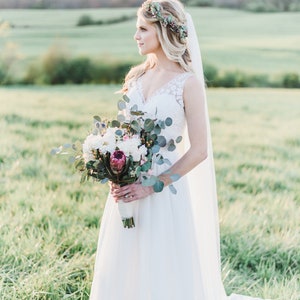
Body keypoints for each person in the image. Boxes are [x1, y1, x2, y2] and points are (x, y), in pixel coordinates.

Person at [90, 1, 266, 299]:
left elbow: (199, 150)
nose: (136, 35)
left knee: (161, 265)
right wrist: (115, 169)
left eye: (143, 28)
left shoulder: (188, 83)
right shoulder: (134, 78)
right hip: (127, 186)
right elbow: (124, 136)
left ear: (163, 31)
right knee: (125, 260)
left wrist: (152, 185)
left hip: (162, 189)